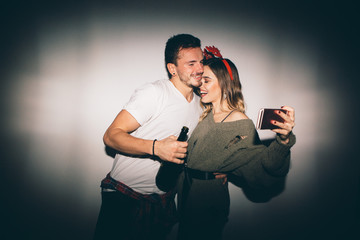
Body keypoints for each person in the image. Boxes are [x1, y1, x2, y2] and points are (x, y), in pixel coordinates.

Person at [93, 33, 206, 240]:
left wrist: (217, 171)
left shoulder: (200, 106)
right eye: (191, 63)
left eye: (201, 62)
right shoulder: (155, 92)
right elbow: (111, 136)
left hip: (161, 201)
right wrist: (156, 148)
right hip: (124, 197)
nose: (199, 69)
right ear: (173, 68)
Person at [176, 46, 296, 240]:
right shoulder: (206, 113)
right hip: (188, 195)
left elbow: (264, 166)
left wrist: (283, 141)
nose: (201, 86)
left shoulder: (240, 122)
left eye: (207, 80)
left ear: (224, 84)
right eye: (201, 80)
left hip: (208, 201)